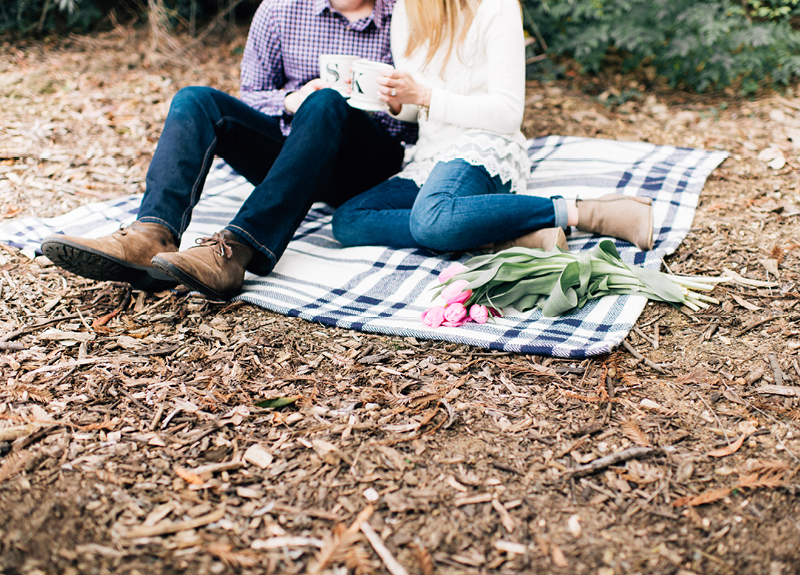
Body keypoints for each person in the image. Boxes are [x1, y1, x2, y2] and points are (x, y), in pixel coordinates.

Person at [42, 0, 417, 300]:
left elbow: (420, 111)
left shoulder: (406, 16)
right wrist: (292, 101)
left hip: (363, 167)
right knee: (195, 100)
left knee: (328, 103)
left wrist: (397, 103)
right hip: (292, 157)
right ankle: (152, 233)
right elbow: (253, 94)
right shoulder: (279, 10)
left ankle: (235, 250)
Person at [331, 0, 653, 254]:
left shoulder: (496, 7)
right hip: (430, 157)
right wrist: (396, 101)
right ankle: (510, 235)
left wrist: (425, 95)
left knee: (432, 220)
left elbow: (507, 114)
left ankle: (585, 212)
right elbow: (418, 110)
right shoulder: (408, 9)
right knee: (348, 220)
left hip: (484, 145)